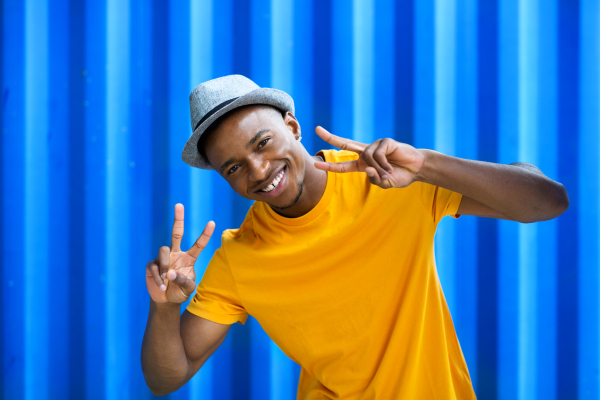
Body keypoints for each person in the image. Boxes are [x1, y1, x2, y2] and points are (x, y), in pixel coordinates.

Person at [141, 75, 569, 398]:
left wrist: (426, 165)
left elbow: (546, 203)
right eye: (233, 167)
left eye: (263, 142)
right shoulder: (239, 257)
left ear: (293, 126)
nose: (257, 170)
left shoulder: (389, 182)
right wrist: (164, 308)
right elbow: (168, 376)